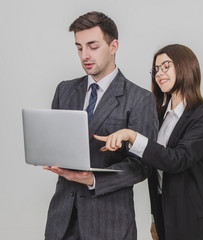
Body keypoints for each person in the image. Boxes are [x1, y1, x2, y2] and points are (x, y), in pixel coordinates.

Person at [94, 44, 203, 240]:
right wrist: (155, 218)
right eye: (156, 69)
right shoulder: (158, 117)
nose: (159, 74)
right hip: (168, 217)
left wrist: (132, 136)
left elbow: (177, 160)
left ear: (185, 66)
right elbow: (156, 173)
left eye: (166, 66)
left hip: (202, 221)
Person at [43, 11, 158, 240]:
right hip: (62, 221)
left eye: (93, 46)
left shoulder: (139, 98)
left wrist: (94, 179)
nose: (84, 55)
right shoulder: (64, 91)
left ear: (113, 46)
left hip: (109, 222)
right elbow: (57, 144)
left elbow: (144, 166)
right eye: (79, 47)